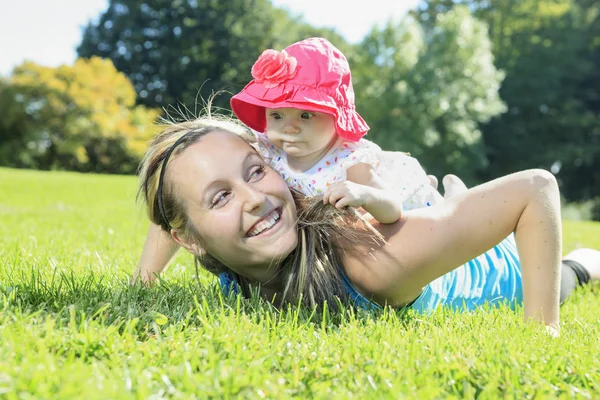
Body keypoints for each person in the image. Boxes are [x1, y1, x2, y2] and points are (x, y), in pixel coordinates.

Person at [135, 115, 600, 335]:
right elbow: (174, 201)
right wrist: (144, 280)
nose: (255, 198)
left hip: (504, 270)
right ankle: (451, 200)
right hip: (426, 238)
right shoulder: (216, 244)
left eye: (256, 170)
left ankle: (582, 264)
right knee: (437, 215)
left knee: (563, 275)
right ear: (189, 239)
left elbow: (537, 188)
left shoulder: (368, 264)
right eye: (222, 196)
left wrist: (543, 334)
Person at [135, 37, 467, 280]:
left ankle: (454, 195)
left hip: (400, 200)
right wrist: (145, 277)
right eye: (277, 115)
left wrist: (363, 194)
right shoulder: (266, 148)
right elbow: (183, 189)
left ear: (335, 119)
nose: (290, 130)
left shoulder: (351, 163)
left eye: (306, 116)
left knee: (445, 221)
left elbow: (392, 209)